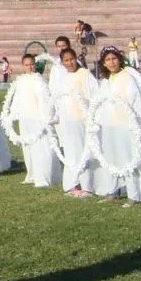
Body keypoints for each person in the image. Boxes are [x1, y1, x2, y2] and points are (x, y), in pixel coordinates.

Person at [91, 46, 141, 205]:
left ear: (119, 59)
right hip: (110, 125)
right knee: (111, 157)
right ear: (103, 63)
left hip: (125, 124)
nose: (111, 63)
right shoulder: (106, 81)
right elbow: (101, 102)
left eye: (114, 58)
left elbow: (135, 101)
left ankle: (133, 195)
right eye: (108, 60)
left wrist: (138, 124)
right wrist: (97, 121)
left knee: (127, 158)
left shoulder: (127, 77)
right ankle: (113, 190)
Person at [4, 54, 60, 187]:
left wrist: (45, 117)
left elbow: (44, 100)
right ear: (23, 66)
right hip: (25, 118)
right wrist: (13, 115)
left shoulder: (39, 80)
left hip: (38, 118)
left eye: (32, 64)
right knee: (28, 147)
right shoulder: (21, 81)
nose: (30, 67)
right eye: (27, 65)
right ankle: (32, 173)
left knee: (41, 146)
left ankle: (43, 176)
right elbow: (17, 99)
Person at [52, 47, 98, 197]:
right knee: (71, 152)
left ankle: (88, 185)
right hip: (68, 120)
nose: (69, 63)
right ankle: (71, 184)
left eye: (71, 59)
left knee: (84, 152)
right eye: (66, 60)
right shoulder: (64, 77)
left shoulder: (84, 74)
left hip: (82, 120)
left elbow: (94, 96)